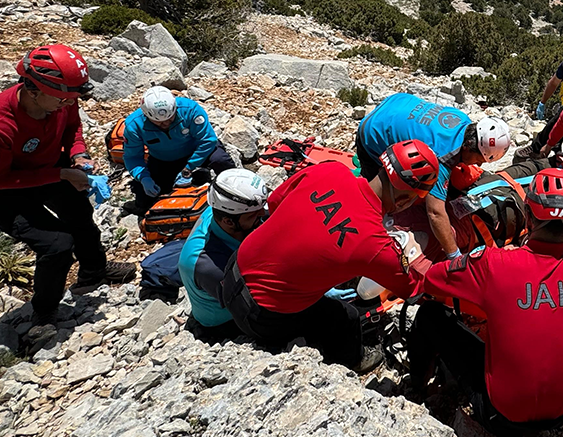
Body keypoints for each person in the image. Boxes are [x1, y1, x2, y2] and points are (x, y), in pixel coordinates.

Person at [409, 168, 563, 437]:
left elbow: (432, 280)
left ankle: (416, 385)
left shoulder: (493, 264)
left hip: (500, 416)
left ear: (528, 215)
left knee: (430, 314)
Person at [219, 140, 441, 370]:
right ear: (405, 201)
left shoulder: (330, 170)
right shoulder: (376, 245)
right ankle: (356, 361)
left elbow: (275, 203)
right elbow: (413, 288)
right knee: (347, 317)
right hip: (263, 316)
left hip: (233, 270)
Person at [0, 44, 136, 325]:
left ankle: (94, 272)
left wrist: (78, 155)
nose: (68, 104)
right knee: (57, 244)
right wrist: (62, 174)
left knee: (80, 215)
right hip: (6, 191)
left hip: (51, 166)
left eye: (73, 98)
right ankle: (44, 311)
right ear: (33, 90)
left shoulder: (62, 97)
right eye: (63, 99)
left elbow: (72, 127)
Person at [356, 93, 511, 262]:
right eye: (479, 159)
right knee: (377, 199)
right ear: (468, 146)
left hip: (397, 103)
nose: (479, 165)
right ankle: (360, 236)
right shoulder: (442, 157)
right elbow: (435, 213)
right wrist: (454, 256)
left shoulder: (463, 121)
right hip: (373, 131)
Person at [178, 169, 269, 339]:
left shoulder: (225, 214)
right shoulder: (207, 263)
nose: (262, 214)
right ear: (229, 221)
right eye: (254, 215)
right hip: (225, 322)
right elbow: (250, 303)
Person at [124, 86, 235, 213]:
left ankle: (236, 186)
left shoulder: (190, 109)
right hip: (164, 159)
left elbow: (207, 140)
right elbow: (132, 157)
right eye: (159, 123)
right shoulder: (134, 125)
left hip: (198, 151)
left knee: (221, 160)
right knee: (145, 196)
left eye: (170, 119)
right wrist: (144, 178)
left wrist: (188, 168)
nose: (166, 124)